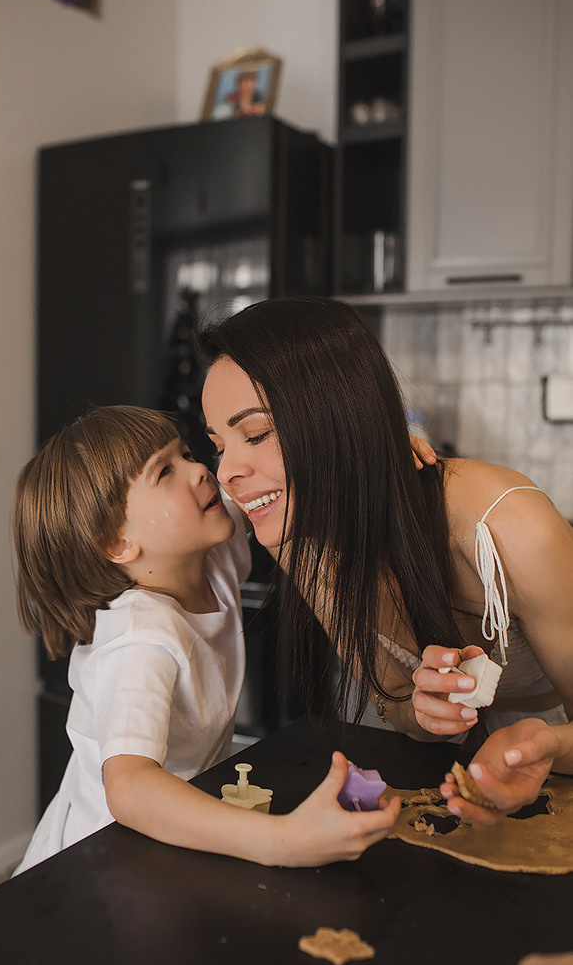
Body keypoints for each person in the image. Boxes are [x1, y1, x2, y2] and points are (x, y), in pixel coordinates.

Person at [196, 296, 573, 821]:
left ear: (338, 418)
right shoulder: (295, 535)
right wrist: (433, 714)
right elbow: (397, 708)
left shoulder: (508, 527)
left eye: (256, 434)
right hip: (470, 787)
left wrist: (546, 745)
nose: (227, 471)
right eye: (219, 444)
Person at [12, 404, 400, 874]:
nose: (200, 469)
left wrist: (386, 457)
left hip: (166, 839)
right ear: (116, 543)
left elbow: (285, 484)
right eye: (165, 472)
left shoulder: (211, 558)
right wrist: (284, 841)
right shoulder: (143, 641)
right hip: (96, 864)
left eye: (189, 453)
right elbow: (130, 788)